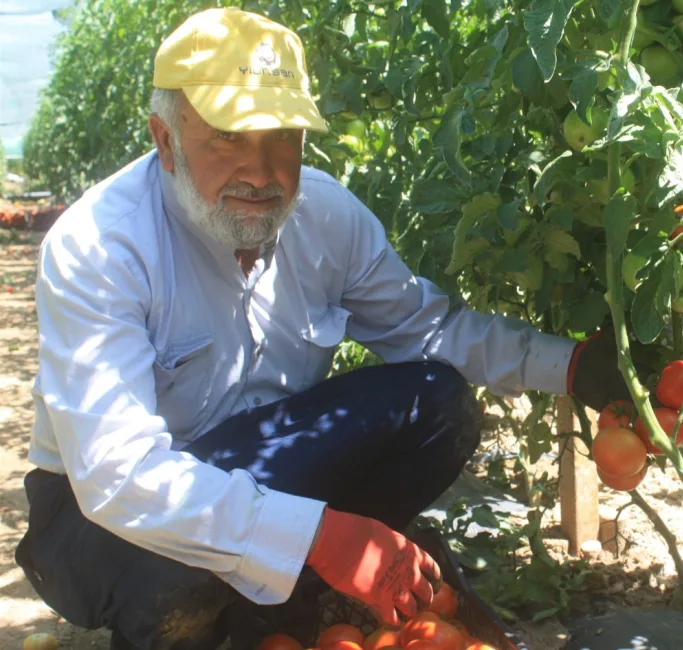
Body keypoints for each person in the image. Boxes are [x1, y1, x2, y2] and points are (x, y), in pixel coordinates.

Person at [14, 7, 635, 650]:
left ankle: (292, 600)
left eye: (282, 136)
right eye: (228, 137)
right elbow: (118, 476)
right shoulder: (100, 247)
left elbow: (429, 332)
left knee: (437, 401)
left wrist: (571, 367)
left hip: (263, 465)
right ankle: (201, 619)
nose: (261, 171)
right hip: (97, 521)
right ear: (166, 141)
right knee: (172, 556)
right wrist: (318, 535)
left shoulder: (327, 217)